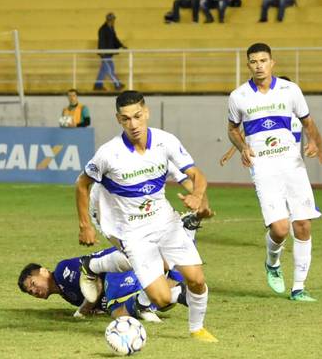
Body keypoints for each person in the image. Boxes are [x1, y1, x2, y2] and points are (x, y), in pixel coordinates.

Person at [75, 90, 217, 342]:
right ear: (119, 120)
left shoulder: (165, 141)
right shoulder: (109, 153)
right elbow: (82, 184)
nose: (133, 124)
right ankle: (111, 286)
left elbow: (196, 175)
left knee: (196, 279)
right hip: (132, 232)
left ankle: (197, 329)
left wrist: (198, 197)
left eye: (137, 116)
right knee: (161, 299)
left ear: (146, 113)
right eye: (126, 119)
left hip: (165, 221)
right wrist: (85, 225)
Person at [226, 43, 322, 302]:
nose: (259, 65)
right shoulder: (238, 96)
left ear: (272, 62)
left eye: (263, 60)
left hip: (292, 164)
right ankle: (272, 262)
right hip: (263, 166)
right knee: (280, 229)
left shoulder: (290, 90)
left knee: (303, 225)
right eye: (253, 61)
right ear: (248, 65)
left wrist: (314, 141)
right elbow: (233, 129)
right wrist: (242, 147)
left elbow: (307, 121)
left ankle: (299, 288)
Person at [18, 248, 187, 322]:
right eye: (30, 292)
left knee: (117, 312)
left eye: (32, 283)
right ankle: (176, 288)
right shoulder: (64, 292)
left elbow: (96, 284)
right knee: (162, 302)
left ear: (44, 271)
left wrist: (81, 312)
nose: (34, 290)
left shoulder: (63, 271)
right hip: (121, 269)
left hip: (116, 268)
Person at [220, 76, 301, 166]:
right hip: (269, 160)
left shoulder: (299, 113)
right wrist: (230, 153)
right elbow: (244, 132)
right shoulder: (271, 112)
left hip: (293, 161)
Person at [94, 13, 126, 91]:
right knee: (109, 70)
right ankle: (117, 84)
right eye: (112, 19)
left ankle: (98, 85)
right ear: (109, 20)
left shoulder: (111, 28)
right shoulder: (103, 29)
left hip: (108, 53)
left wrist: (121, 45)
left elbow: (115, 39)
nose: (113, 21)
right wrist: (102, 52)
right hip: (105, 54)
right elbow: (101, 41)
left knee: (104, 70)